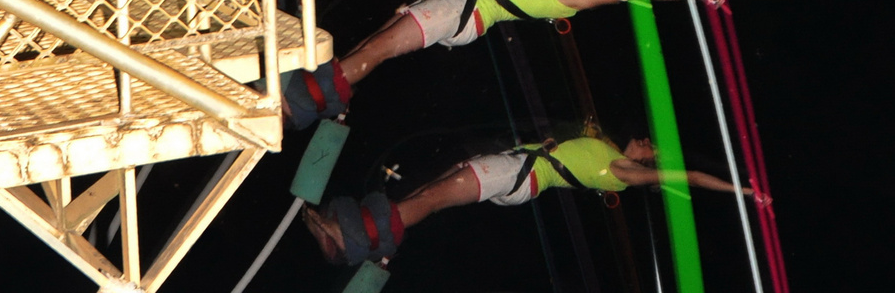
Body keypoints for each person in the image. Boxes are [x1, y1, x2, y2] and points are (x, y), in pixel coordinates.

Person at [282, 0, 724, 128]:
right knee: (370, 47)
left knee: (374, 52)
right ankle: (306, 94)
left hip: (463, 13)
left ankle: (301, 103)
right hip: (459, 7)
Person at [304, 135, 765, 267]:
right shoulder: (604, 152)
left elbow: (690, 176)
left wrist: (739, 189)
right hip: (515, 169)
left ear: (645, 163)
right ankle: (349, 237)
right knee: (430, 193)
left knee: (432, 198)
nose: (644, 141)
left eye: (649, 147)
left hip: (516, 174)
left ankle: (349, 238)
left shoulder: (621, 171)